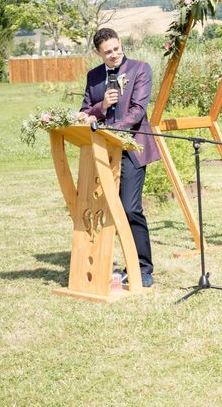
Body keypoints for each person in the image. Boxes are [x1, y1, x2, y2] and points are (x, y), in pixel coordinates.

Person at [80, 28, 161, 288]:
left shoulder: (140, 69)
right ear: (98, 53)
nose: (114, 55)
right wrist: (101, 107)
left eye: (117, 48)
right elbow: (84, 112)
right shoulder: (93, 76)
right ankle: (100, 263)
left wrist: (112, 131)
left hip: (131, 149)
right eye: (108, 52)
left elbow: (137, 111)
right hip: (101, 151)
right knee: (100, 210)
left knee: (129, 208)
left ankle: (143, 268)